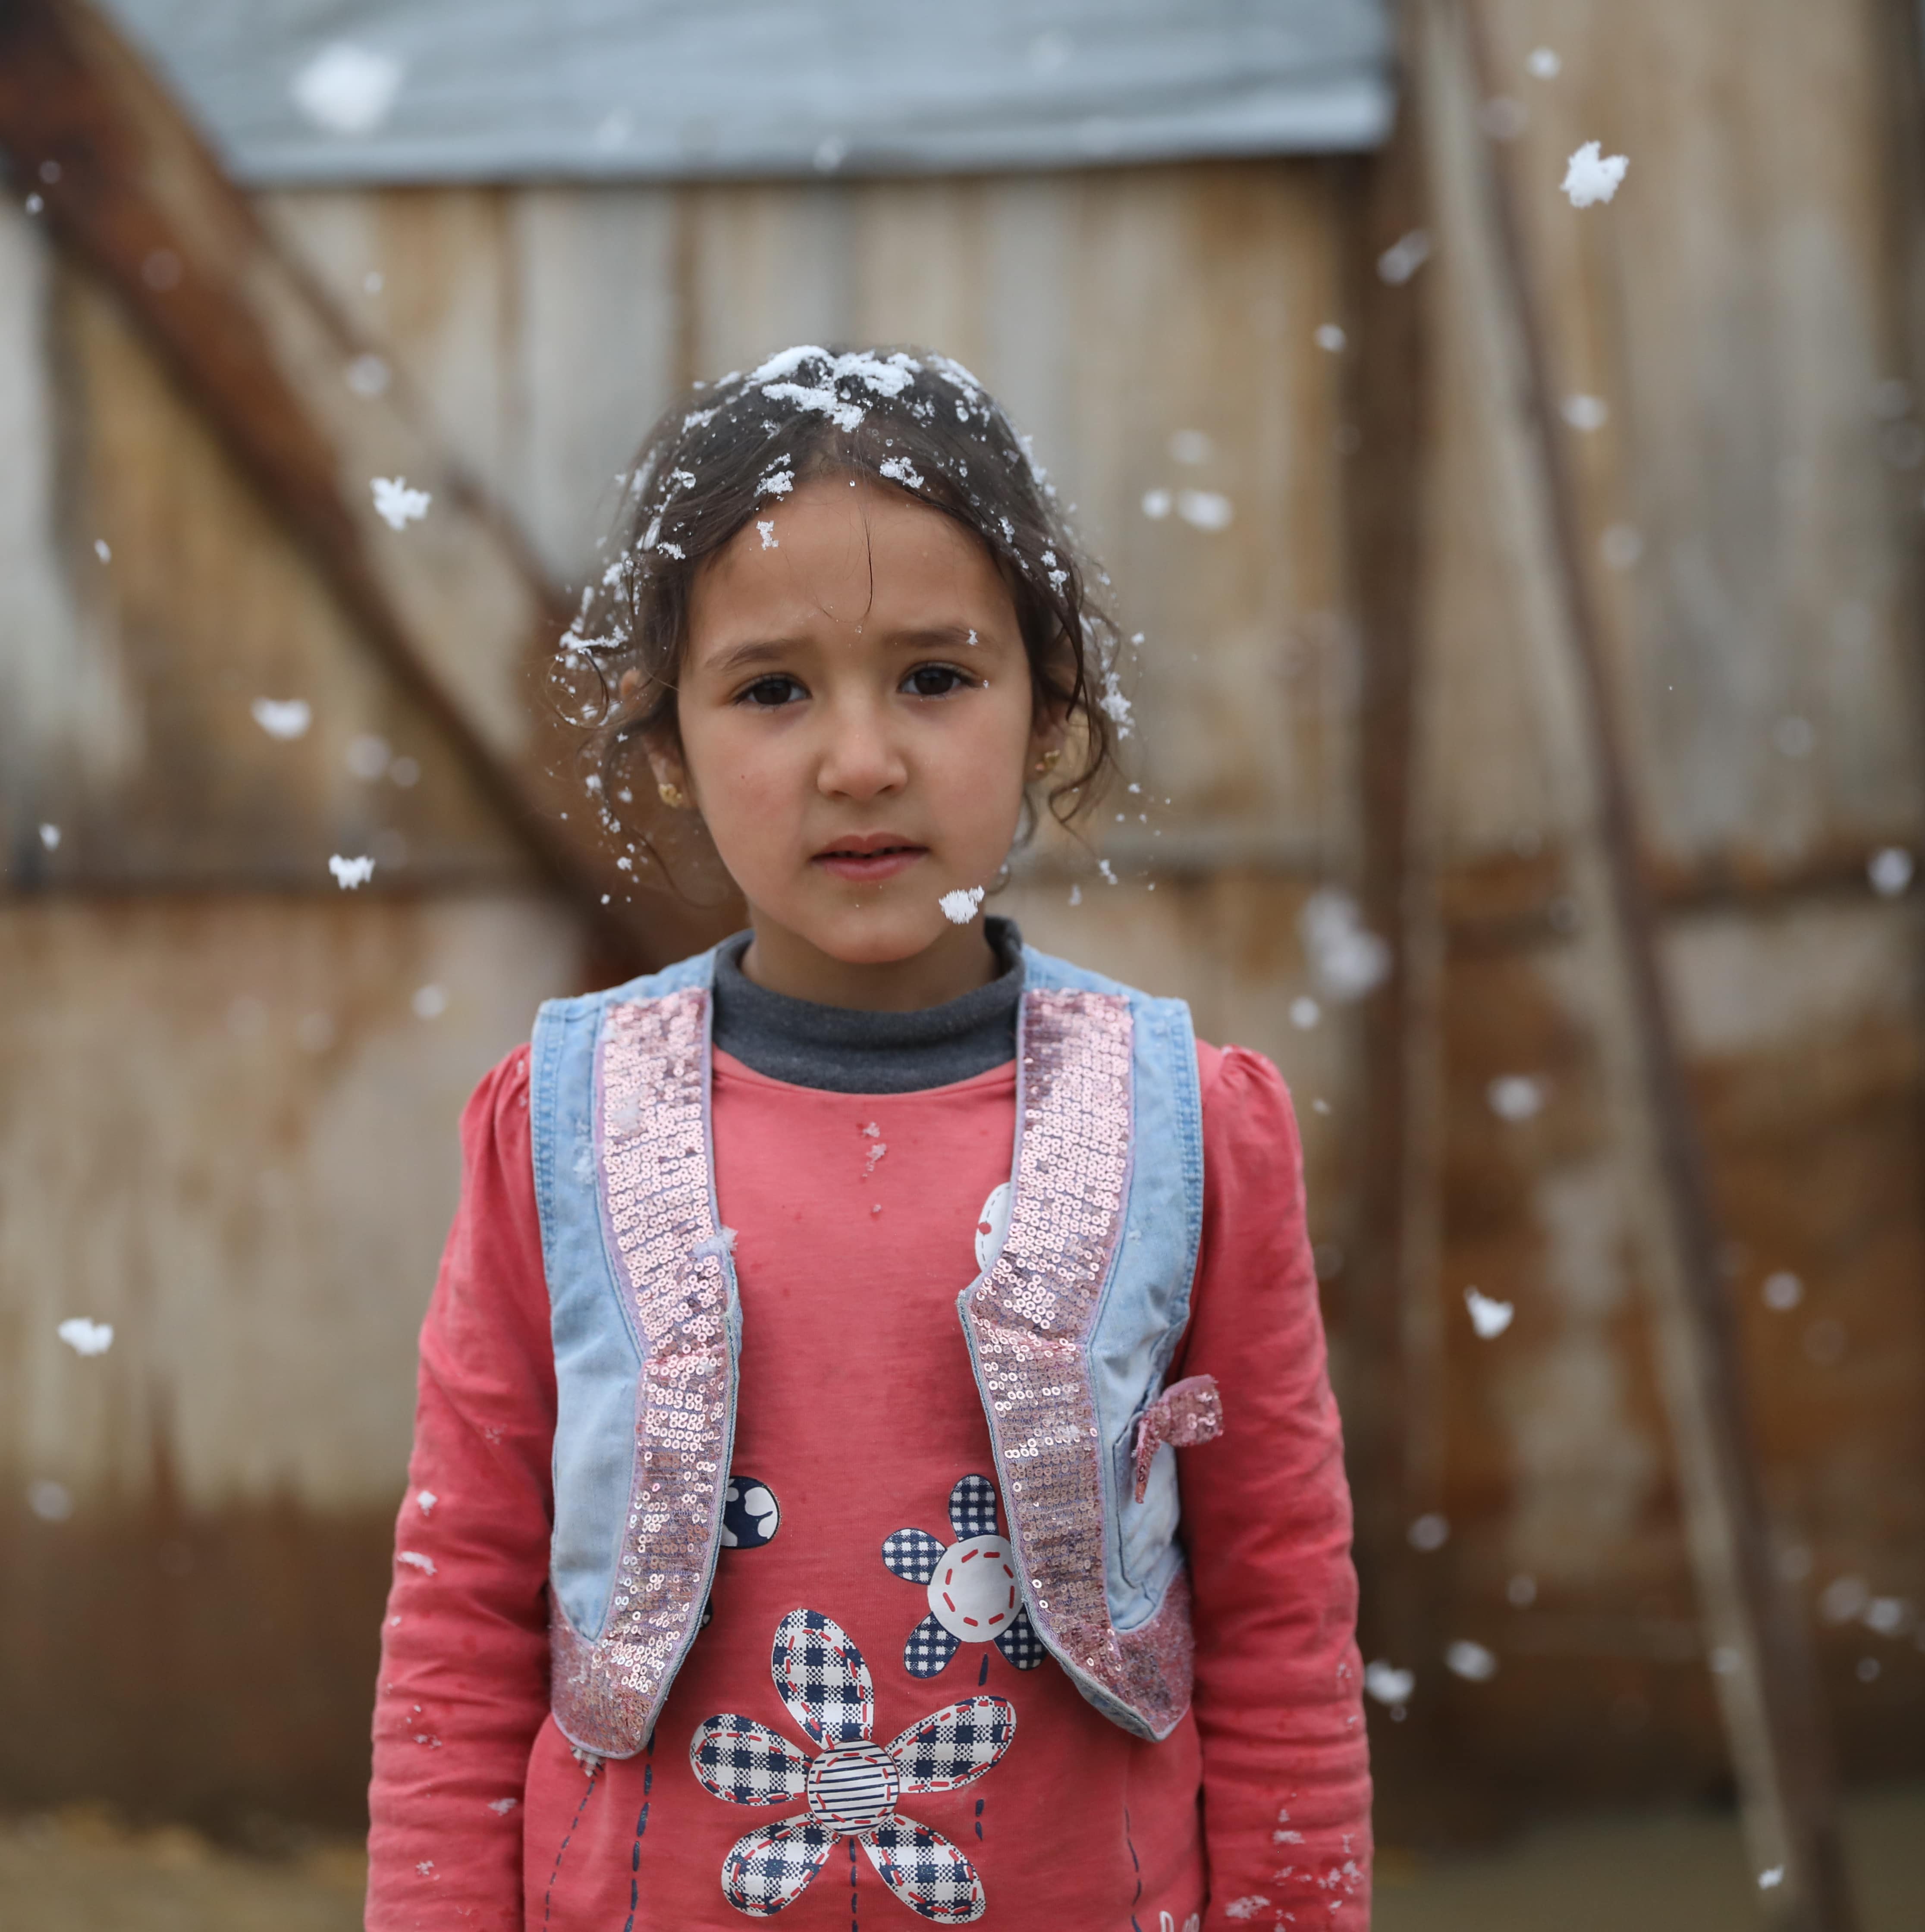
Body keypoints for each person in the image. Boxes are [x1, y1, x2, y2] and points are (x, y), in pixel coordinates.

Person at [364, 346, 1368, 1928]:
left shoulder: (1184, 1127)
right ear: (672, 751)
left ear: (1050, 711)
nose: (860, 761)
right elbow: (462, 1620)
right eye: (772, 691)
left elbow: (1283, 1615)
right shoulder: (564, 1128)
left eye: (936, 676)